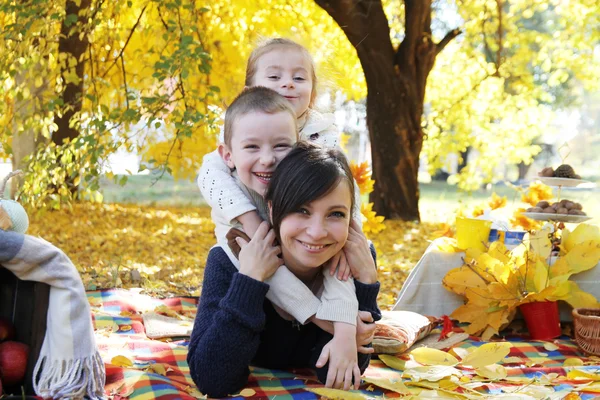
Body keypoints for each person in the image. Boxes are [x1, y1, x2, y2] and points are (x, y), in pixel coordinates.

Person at [188, 141, 381, 397]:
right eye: (301, 210)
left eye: (335, 214)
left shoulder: (354, 259)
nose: (316, 232)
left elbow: (339, 376)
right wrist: (249, 281)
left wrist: (366, 283)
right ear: (271, 208)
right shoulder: (230, 260)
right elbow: (213, 380)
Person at [207, 85, 365, 384]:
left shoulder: (326, 226)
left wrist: (353, 315)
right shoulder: (234, 211)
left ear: (299, 145)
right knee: (259, 261)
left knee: (343, 255)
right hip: (250, 293)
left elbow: (347, 370)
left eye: (281, 147)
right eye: (253, 147)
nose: (268, 159)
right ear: (228, 155)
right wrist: (327, 320)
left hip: (319, 327)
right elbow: (213, 378)